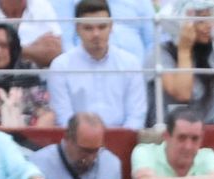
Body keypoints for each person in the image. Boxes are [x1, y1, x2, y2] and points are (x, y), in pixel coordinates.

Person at [46, 0, 146, 128]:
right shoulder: (61, 67)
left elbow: (136, 116)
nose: (96, 34)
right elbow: (63, 118)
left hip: (123, 141)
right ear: (77, 29)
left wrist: (122, 140)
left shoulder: (130, 64)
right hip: (77, 143)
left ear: (111, 26)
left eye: (102, 27)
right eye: (88, 28)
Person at [160, 0, 214, 123]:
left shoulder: (210, 49)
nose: (209, 25)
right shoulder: (162, 53)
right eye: (201, 20)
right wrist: (184, 50)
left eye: (210, 18)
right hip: (180, 130)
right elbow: (183, 94)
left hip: (212, 129)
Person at [130, 105, 214, 179]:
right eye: (182, 138)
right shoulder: (145, 152)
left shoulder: (208, 156)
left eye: (195, 139)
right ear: (166, 136)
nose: (188, 146)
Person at [28, 108, 123, 179]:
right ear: (67, 138)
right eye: (85, 151)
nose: (91, 157)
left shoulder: (110, 164)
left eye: (95, 151)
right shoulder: (38, 165)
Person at [0, 0, 63, 68]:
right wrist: (33, 50)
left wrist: (6, 49)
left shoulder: (41, 6)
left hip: (33, 85)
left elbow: (55, 52)